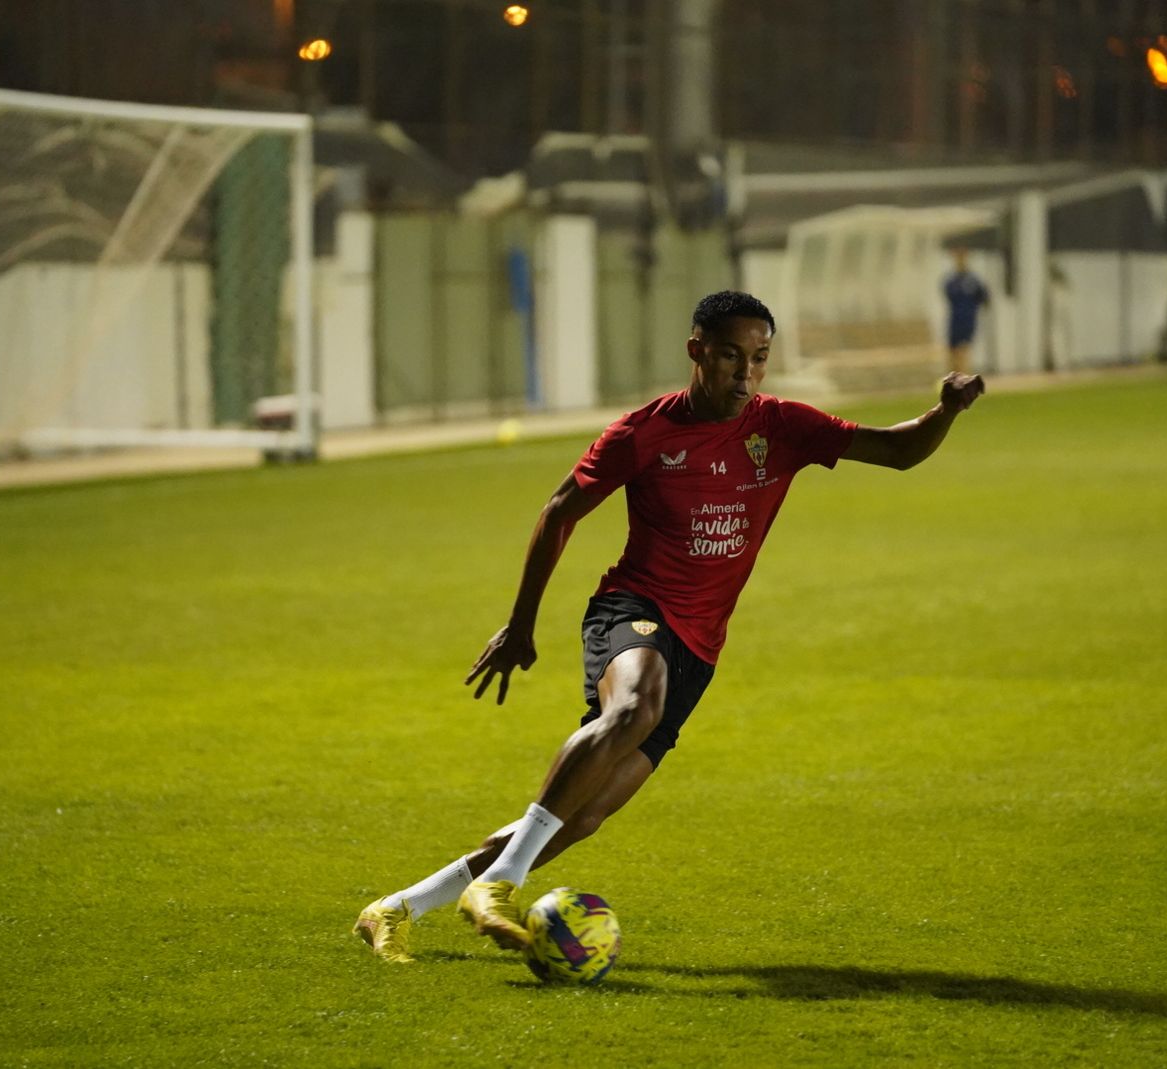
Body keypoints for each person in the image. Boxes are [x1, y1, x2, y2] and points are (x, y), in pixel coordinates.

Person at [355, 290, 986, 963]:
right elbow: (560, 510)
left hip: (699, 649)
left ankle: (396, 907)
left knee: (582, 814)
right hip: (634, 609)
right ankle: (500, 883)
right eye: (730, 355)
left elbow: (897, 451)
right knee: (633, 706)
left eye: (759, 358)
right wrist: (520, 624)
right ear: (696, 351)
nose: (745, 373)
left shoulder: (781, 426)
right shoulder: (644, 432)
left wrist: (945, 411)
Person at [943, 247, 991, 374]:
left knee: (963, 351)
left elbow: (984, 298)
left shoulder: (974, 281)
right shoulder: (951, 281)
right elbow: (948, 296)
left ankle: (963, 378)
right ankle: (953, 379)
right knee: (952, 352)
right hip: (954, 321)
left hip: (968, 321)